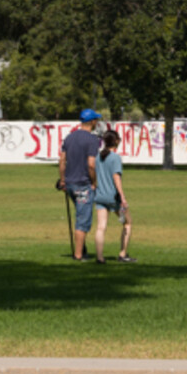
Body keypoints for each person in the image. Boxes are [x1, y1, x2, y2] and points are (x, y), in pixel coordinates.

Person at [60, 109, 105, 261]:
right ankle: (78, 255)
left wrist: (62, 180)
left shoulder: (69, 137)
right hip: (83, 184)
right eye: (96, 120)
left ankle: (82, 249)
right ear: (92, 122)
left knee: (80, 215)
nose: (97, 122)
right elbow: (91, 165)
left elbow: (62, 161)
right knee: (83, 219)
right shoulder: (92, 140)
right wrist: (94, 182)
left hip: (70, 184)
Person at [92, 127, 134, 263]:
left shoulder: (98, 157)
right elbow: (116, 177)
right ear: (116, 141)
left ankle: (99, 257)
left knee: (101, 227)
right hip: (113, 197)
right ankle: (122, 254)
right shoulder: (115, 158)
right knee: (127, 223)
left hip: (100, 196)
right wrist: (122, 196)